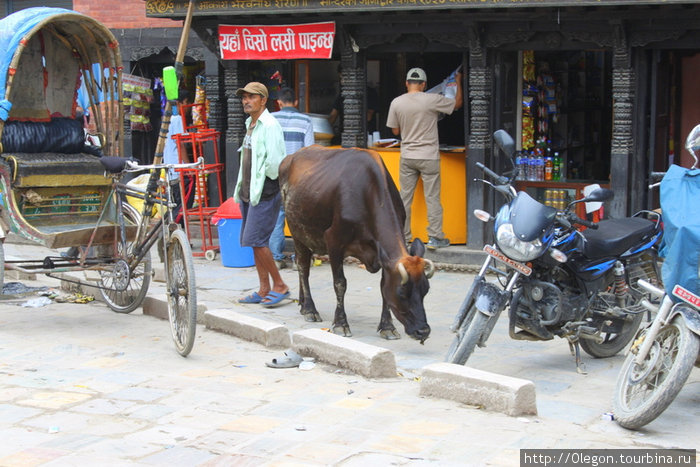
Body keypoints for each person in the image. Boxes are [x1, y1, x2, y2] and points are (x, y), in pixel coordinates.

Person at [386, 67, 463, 250]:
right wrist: (458, 80)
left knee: (404, 198)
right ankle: (436, 237)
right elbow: (457, 103)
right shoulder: (431, 100)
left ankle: (403, 239)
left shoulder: (396, 103)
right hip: (429, 156)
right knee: (433, 198)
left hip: (408, 156)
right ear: (423, 84)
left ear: (406, 83)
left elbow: (395, 131)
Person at [234, 82, 290, 307]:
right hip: (248, 192)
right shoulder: (251, 124)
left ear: (263, 100)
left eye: (251, 97)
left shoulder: (270, 125)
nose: (246, 101)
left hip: (264, 192)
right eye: (244, 97)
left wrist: (259, 181)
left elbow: (275, 163)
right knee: (255, 241)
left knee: (257, 240)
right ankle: (264, 288)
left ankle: (280, 285)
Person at [270, 87, 315, 269]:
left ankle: (276, 258)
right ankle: (299, 259)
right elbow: (309, 151)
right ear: (295, 102)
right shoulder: (305, 120)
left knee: (277, 216)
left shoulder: (270, 119)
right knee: (299, 218)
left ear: (279, 103)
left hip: (275, 174)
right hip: (297, 177)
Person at [163, 90, 195, 226]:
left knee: (175, 203)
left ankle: (175, 233)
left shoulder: (167, 119)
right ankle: (174, 230)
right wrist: (188, 167)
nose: (188, 107)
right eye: (186, 103)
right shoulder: (178, 119)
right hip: (178, 169)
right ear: (179, 103)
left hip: (170, 168)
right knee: (183, 203)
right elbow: (180, 144)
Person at [329, 65, 379, 144]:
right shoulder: (342, 95)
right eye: (341, 78)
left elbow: (368, 117)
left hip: (366, 137)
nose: (342, 81)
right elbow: (333, 115)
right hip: (345, 138)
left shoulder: (370, 93)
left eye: (344, 78)